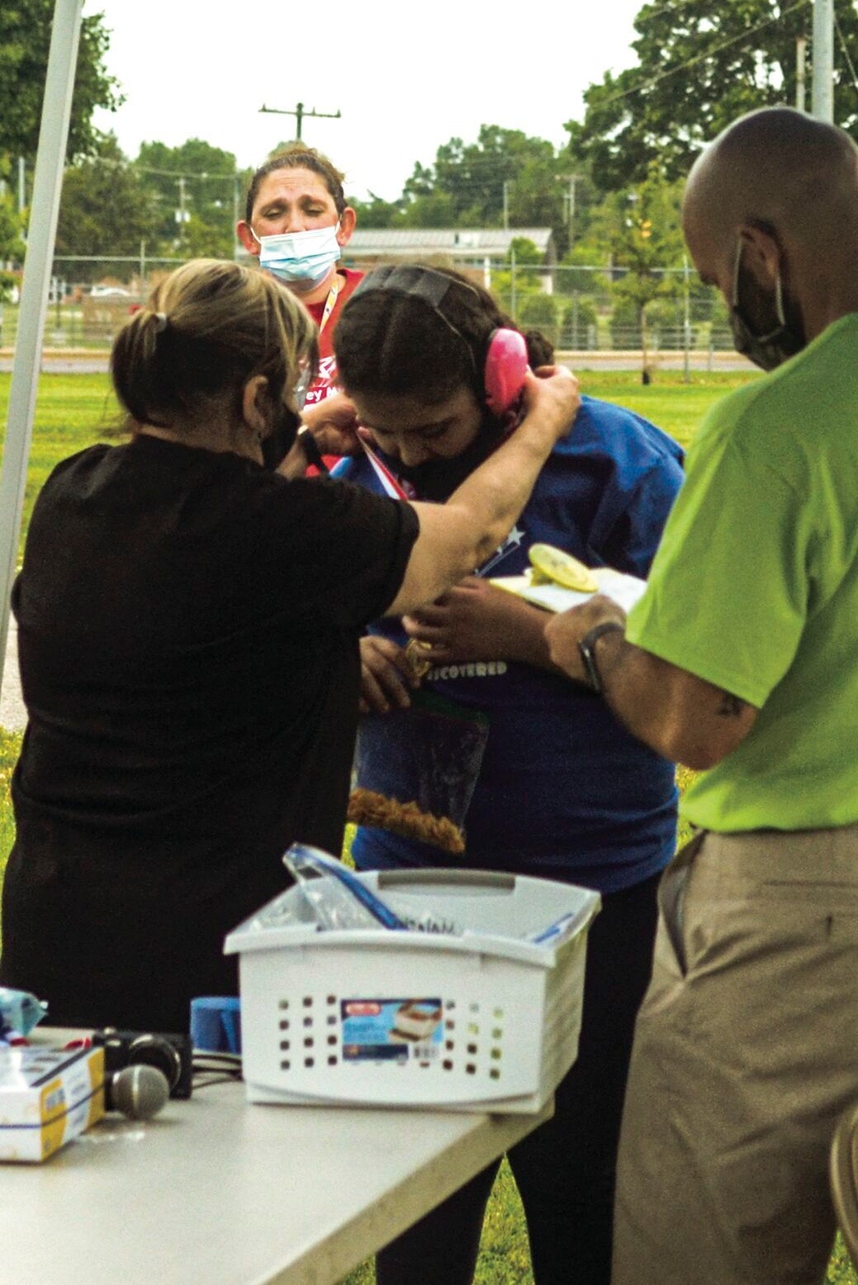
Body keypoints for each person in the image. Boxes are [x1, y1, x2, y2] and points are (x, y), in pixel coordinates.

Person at [544, 106, 858, 1285]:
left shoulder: (775, 422)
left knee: (707, 1252)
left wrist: (591, 639)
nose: (725, 307)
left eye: (713, 280)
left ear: (758, 253)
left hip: (808, 902)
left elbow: (694, 719)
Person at [0, 259, 578, 1036]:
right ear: (253, 398)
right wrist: (545, 418)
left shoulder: (74, 491)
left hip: (54, 924)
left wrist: (299, 440)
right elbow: (467, 534)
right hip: (211, 951)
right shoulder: (287, 531)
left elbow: (199, 571)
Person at [332, 262, 686, 1285]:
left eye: (433, 430)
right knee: (417, 1201)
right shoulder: (361, 476)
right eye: (383, 428)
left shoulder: (617, 462)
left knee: (582, 1186)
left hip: (593, 890)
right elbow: (278, 613)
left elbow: (699, 661)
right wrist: (338, 659)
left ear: (498, 381)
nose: (407, 452)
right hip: (411, 895)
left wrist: (529, 635)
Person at [237, 143, 360, 407]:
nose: (295, 226)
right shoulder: (230, 319)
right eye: (274, 213)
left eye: (313, 211)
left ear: (344, 227)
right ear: (250, 238)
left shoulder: (380, 305)